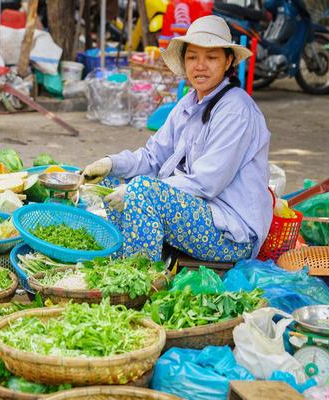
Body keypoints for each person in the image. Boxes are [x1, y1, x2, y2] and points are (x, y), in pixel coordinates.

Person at [83, 15, 272, 263]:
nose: (200, 65)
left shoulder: (235, 109)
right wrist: (111, 163)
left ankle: (138, 277)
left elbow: (206, 183)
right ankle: (123, 258)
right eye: (193, 57)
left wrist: (137, 190)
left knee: (140, 190)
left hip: (230, 232)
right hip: (196, 214)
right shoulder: (189, 103)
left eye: (211, 57)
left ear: (228, 62)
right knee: (112, 181)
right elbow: (153, 157)